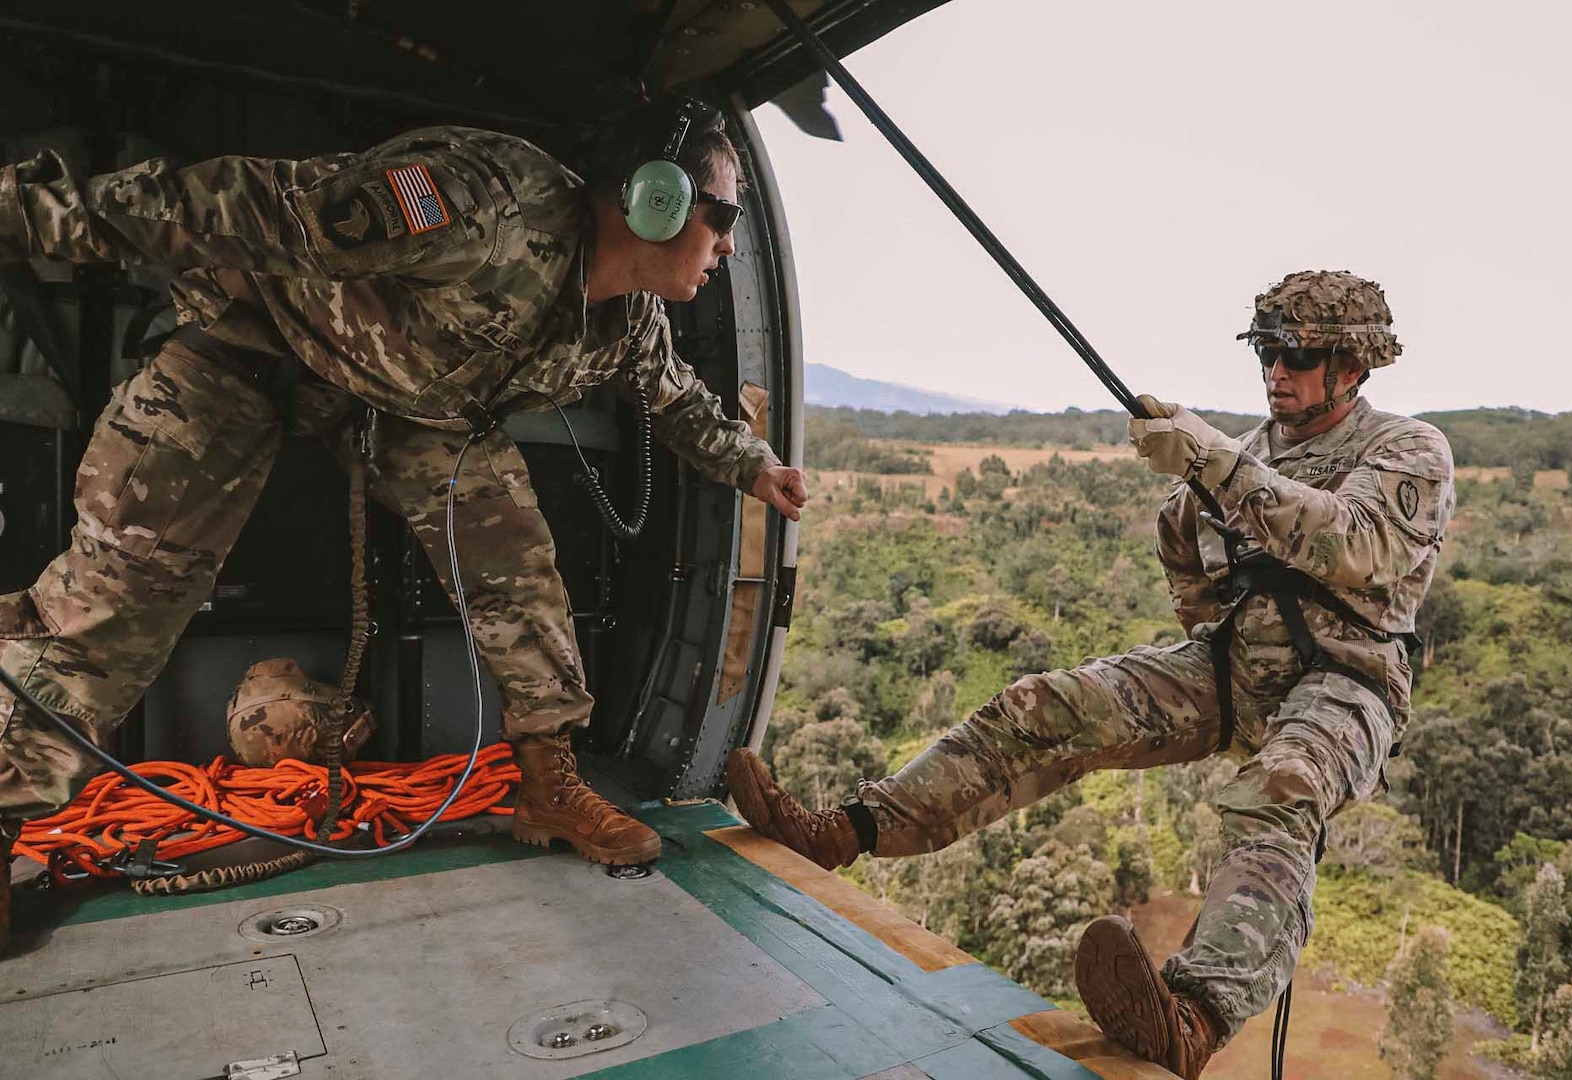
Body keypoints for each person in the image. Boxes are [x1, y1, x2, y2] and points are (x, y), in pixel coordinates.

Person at [0, 102, 808, 950]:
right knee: (122, 597)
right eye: (722, 220)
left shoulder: (629, 318)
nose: (725, 246)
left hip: (403, 407)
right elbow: (233, 206)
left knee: (515, 561)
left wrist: (754, 466)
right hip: (251, 349)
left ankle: (548, 783)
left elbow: (677, 399)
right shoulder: (486, 203)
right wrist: (29, 212)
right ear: (657, 201)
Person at [726, 270, 1453, 1079]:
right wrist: (1206, 628)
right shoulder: (1247, 455)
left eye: (1300, 354)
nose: (1278, 370)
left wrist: (1213, 463)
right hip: (1229, 670)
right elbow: (1179, 535)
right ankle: (847, 831)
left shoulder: (1406, 450)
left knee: (1280, 789)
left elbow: (1353, 544)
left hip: (1344, 685)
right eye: (1268, 352)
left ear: (1352, 367)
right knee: (1046, 706)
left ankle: (1193, 1018)